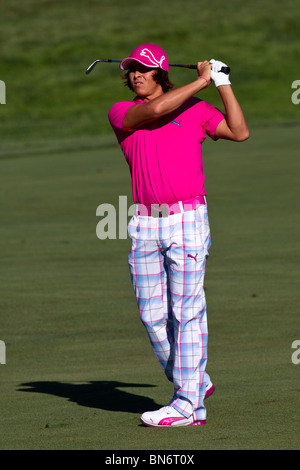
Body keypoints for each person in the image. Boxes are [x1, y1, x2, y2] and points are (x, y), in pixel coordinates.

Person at [108, 43, 249, 427]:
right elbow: (155, 110)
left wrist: (222, 84)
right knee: (153, 316)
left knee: (186, 313)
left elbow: (239, 131)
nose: (136, 74)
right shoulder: (123, 112)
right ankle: (195, 381)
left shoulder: (195, 110)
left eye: (145, 69)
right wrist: (202, 79)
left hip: (187, 220)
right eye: (132, 69)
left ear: (161, 72)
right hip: (144, 223)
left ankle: (188, 405)